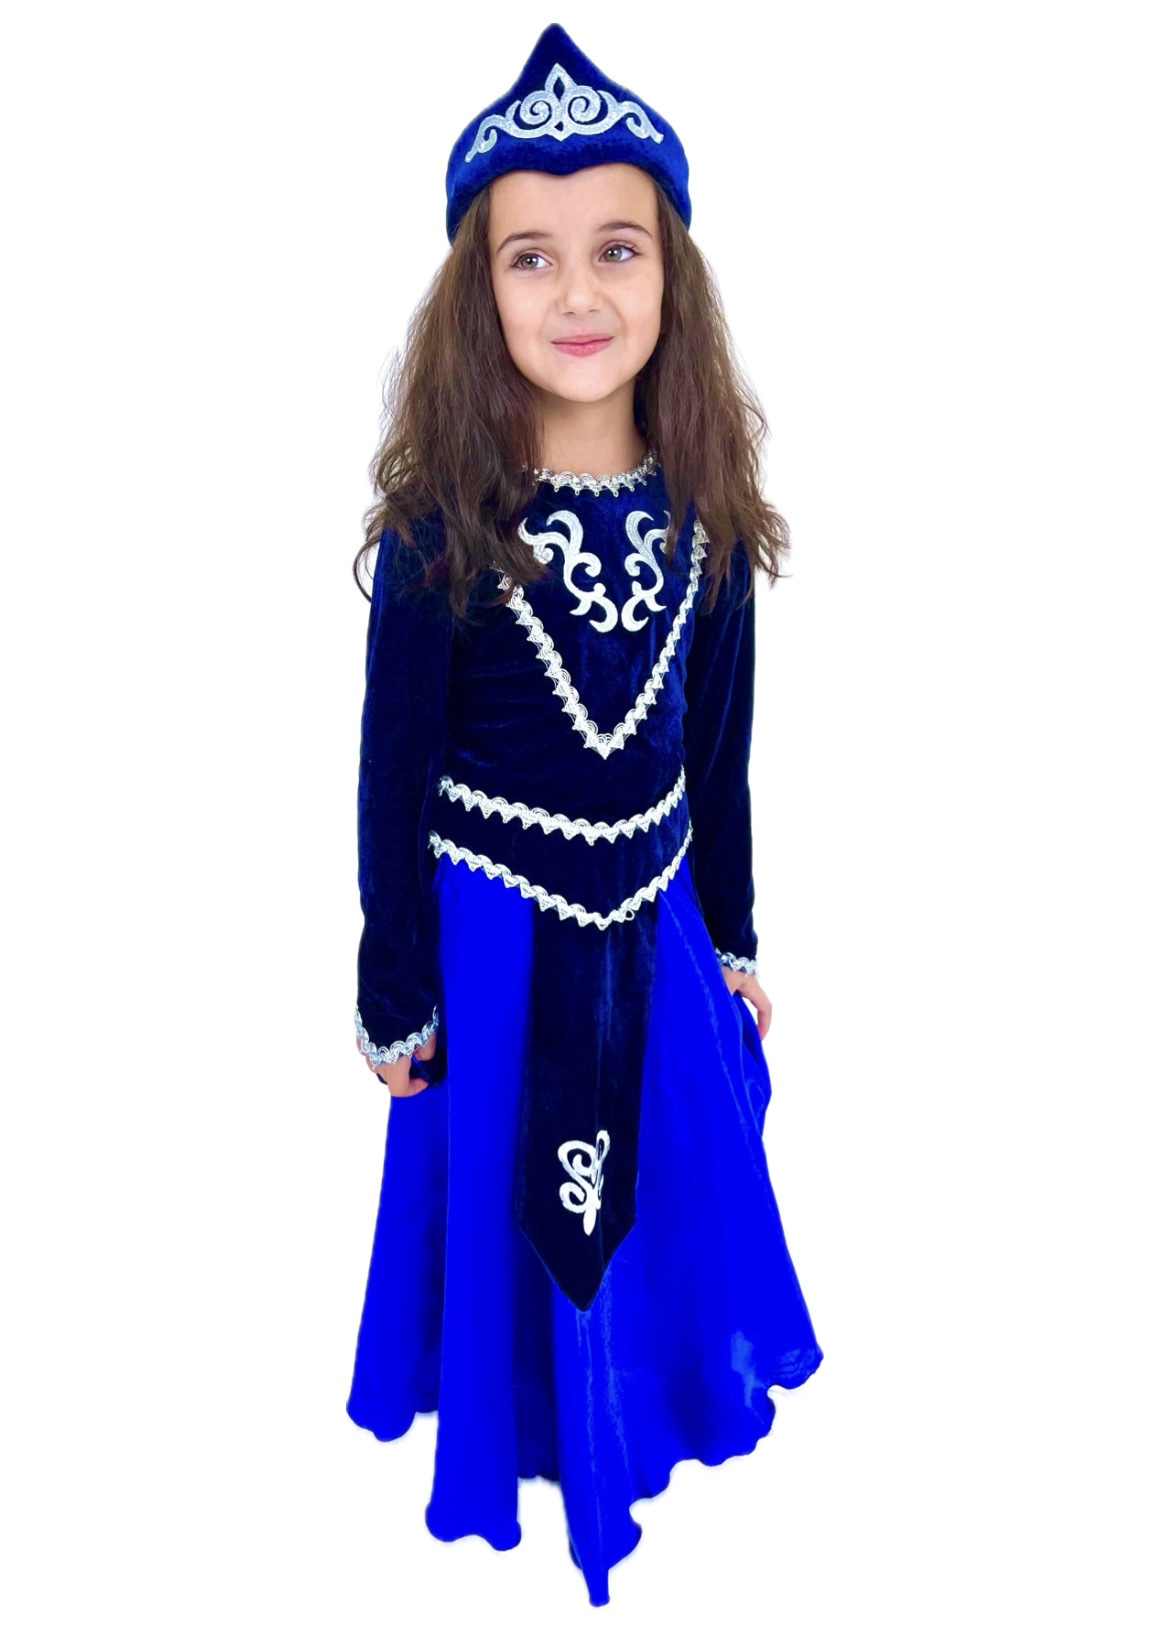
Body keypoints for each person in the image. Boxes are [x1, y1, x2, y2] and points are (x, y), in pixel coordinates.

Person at [345, 22, 824, 1606]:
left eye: (616, 248)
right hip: (492, 949)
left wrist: (732, 934)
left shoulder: (707, 525)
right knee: (508, 1196)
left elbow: (718, 755)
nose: (576, 292)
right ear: (476, 296)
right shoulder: (439, 535)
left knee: (664, 1190)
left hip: (657, 938)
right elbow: (390, 774)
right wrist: (396, 984)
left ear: (672, 276)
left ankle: (634, 1407)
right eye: (529, 257)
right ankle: (528, 1426)